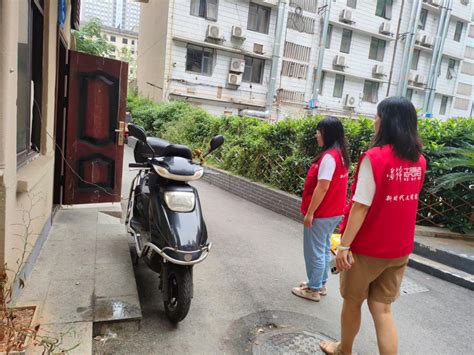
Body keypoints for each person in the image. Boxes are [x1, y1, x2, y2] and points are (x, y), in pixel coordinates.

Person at [320, 97, 426, 355]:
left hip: (367, 249)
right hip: (399, 250)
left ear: (388, 121)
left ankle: (344, 350)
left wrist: (344, 245)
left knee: (353, 302)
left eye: (378, 116)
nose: (374, 121)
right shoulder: (419, 161)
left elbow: (361, 206)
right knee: (383, 309)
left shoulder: (375, 158)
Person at [292, 117, 349, 302]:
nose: (316, 135)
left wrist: (310, 213)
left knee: (314, 250)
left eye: (319, 131)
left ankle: (313, 288)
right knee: (323, 248)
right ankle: (320, 283)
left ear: (328, 133)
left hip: (322, 213)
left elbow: (322, 187)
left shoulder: (329, 158)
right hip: (334, 212)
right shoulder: (340, 155)